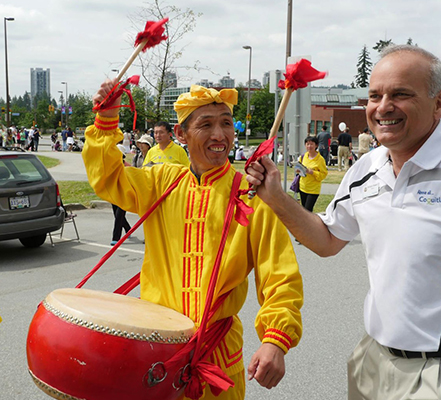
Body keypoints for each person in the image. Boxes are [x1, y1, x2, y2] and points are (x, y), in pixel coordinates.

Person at [246, 44, 441, 399]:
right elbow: (327, 241)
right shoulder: (366, 169)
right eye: (374, 95)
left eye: (400, 94)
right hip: (373, 361)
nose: (382, 107)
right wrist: (276, 198)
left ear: (439, 103)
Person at [83, 81, 303, 399]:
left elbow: (281, 276)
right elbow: (109, 178)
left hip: (218, 361)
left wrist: (275, 339)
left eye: (226, 123)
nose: (219, 135)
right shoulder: (162, 182)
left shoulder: (252, 196)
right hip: (156, 351)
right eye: (206, 124)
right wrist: (106, 123)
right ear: (181, 134)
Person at [298, 136, 328, 212]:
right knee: (303, 210)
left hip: (313, 190)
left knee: (308, 211)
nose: (309, 146)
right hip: (303, 187)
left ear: (316, 145)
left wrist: (312, 172)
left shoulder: (320, 159)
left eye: (311, 144)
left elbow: (323, 174)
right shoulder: (303, 156)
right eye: (307, 144)